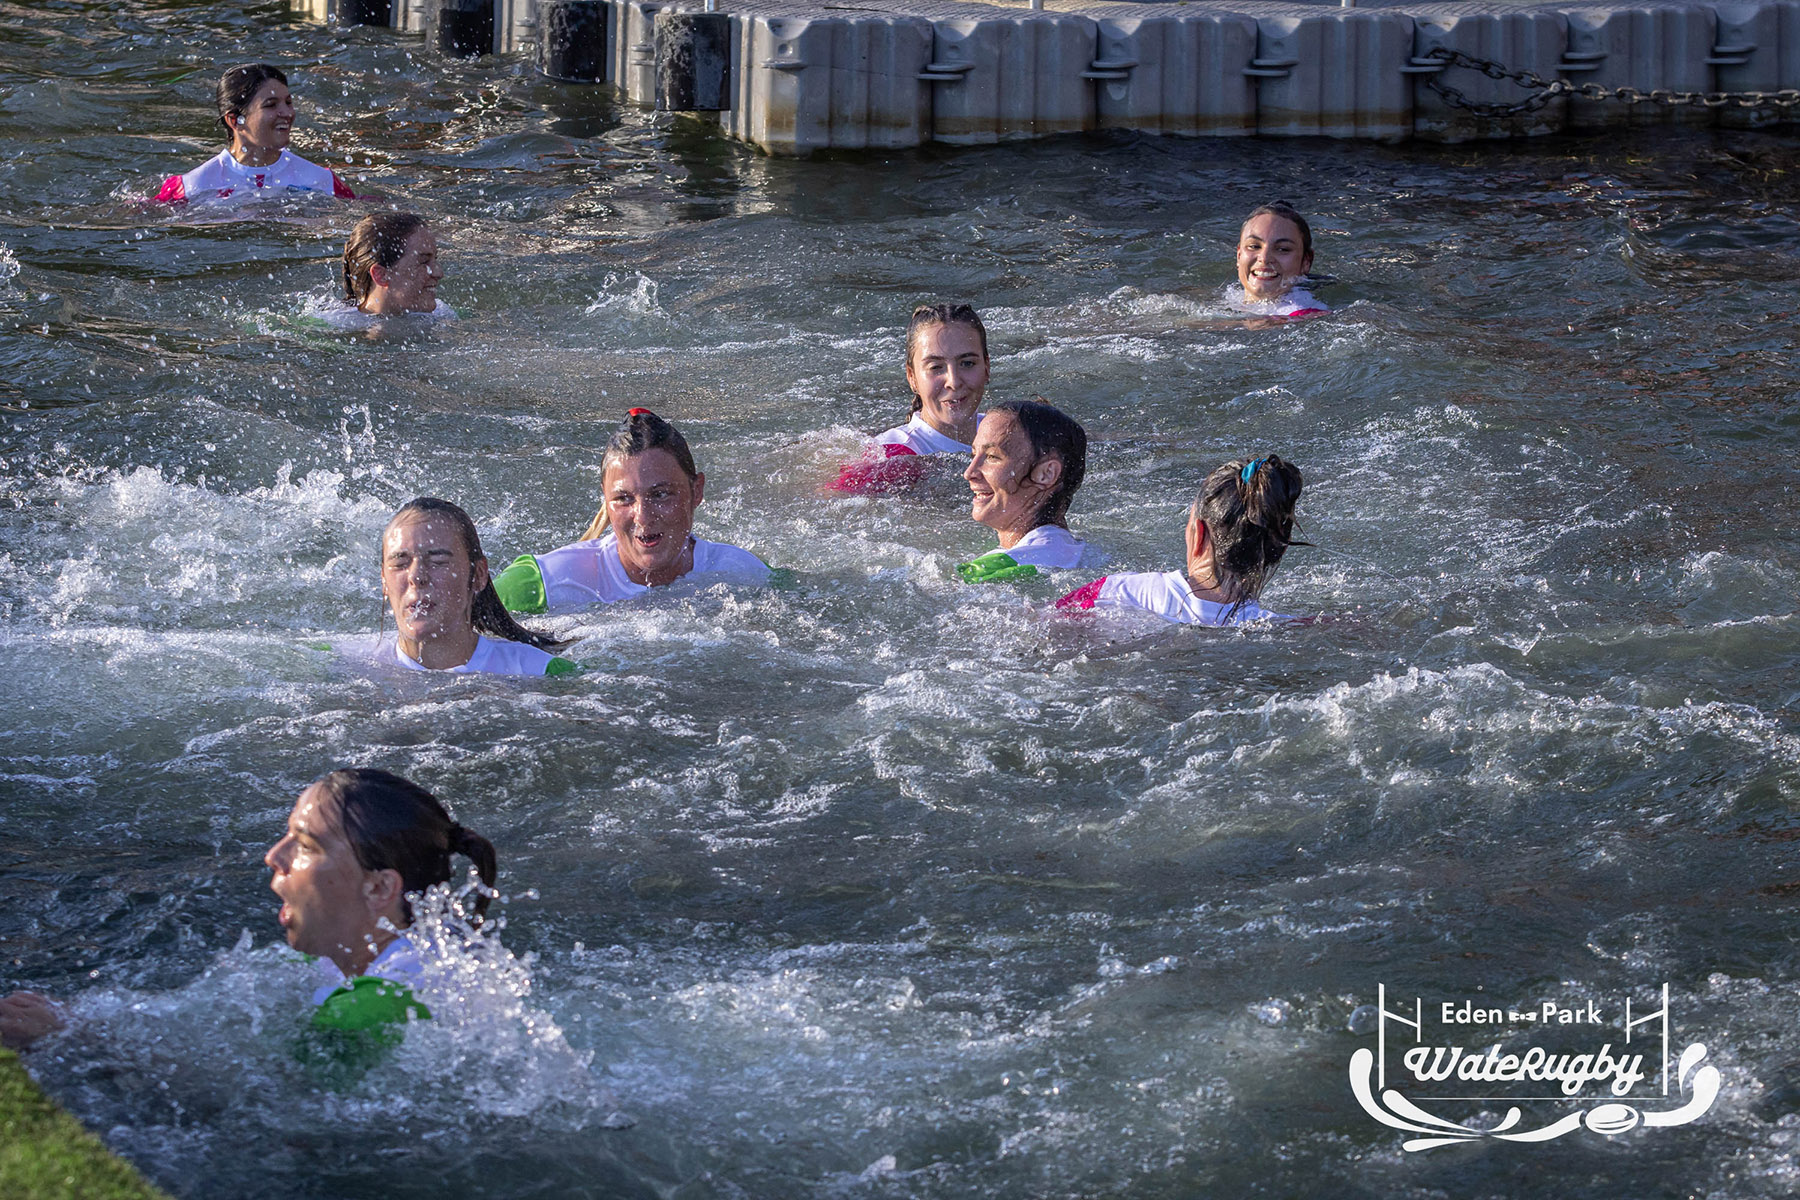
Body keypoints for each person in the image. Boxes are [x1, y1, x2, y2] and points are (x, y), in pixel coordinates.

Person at [1, 768, 496, 1050]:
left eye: (304, 845)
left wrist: (77, 1039)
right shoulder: (371, 957)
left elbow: (267, 1107)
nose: (274, 857)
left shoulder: (376, 1012)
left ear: (379, 887)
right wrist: (84, 1020)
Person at [494, 409, 770, 613]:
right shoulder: (545, 584)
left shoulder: (742, 573)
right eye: (624, 499)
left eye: (660, 494)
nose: (643, 517)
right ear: (605, 500)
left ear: (696, 491)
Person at [1056, 455, 1304, 625]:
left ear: (1198, 535)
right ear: (1279, 550)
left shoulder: (1116, 592)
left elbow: (1045, 621)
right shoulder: (1279, 627)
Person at [379, 498, 578, 676]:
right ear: (384, 581)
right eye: (400, 563)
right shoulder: (355, 664)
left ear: (478, 575)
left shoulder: (541, 672)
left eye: (438, 561)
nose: (416, 576)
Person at [830, 303, 989, 494]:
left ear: (987, 367)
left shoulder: (1015, 432)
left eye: (967, 363)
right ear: (912, 377)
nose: (953, 382)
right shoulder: (891, 458)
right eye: (936, 367)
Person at [155, 64, 356, 204]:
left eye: (288, 102)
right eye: (271, 105)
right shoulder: (190, 187)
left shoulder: (322, 181)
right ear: (234, 120)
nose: (287, 113)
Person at [956, 399, 1088, 583]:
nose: (969, 473)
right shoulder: (1083, 552)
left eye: (993, 457)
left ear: (1046, 474)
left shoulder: (991, 572)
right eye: (973, 455)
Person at [321, 213, 452, 324]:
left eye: (435, 259)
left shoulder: (443, 314)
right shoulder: (334, 325)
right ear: (381, 275)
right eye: (423, 262)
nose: (439, 273)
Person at [1233, 203, 1328, 318]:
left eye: (1283, 249)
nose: (1264, 258)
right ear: (1239, 255)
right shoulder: (1228, 298)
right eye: (1254, 246)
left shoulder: (1306, 316)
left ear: (1306, 261)